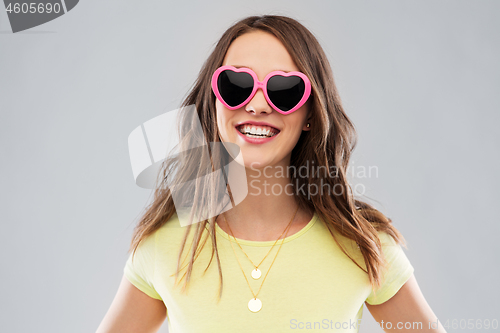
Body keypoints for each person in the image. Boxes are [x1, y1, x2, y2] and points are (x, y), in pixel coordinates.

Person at [96, 15, 447, 333]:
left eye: (284, 90)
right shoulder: (166, 244)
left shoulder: (363, 245)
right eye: (236, 85)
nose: (259, 105)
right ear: (213, 104)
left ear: (311, 112)